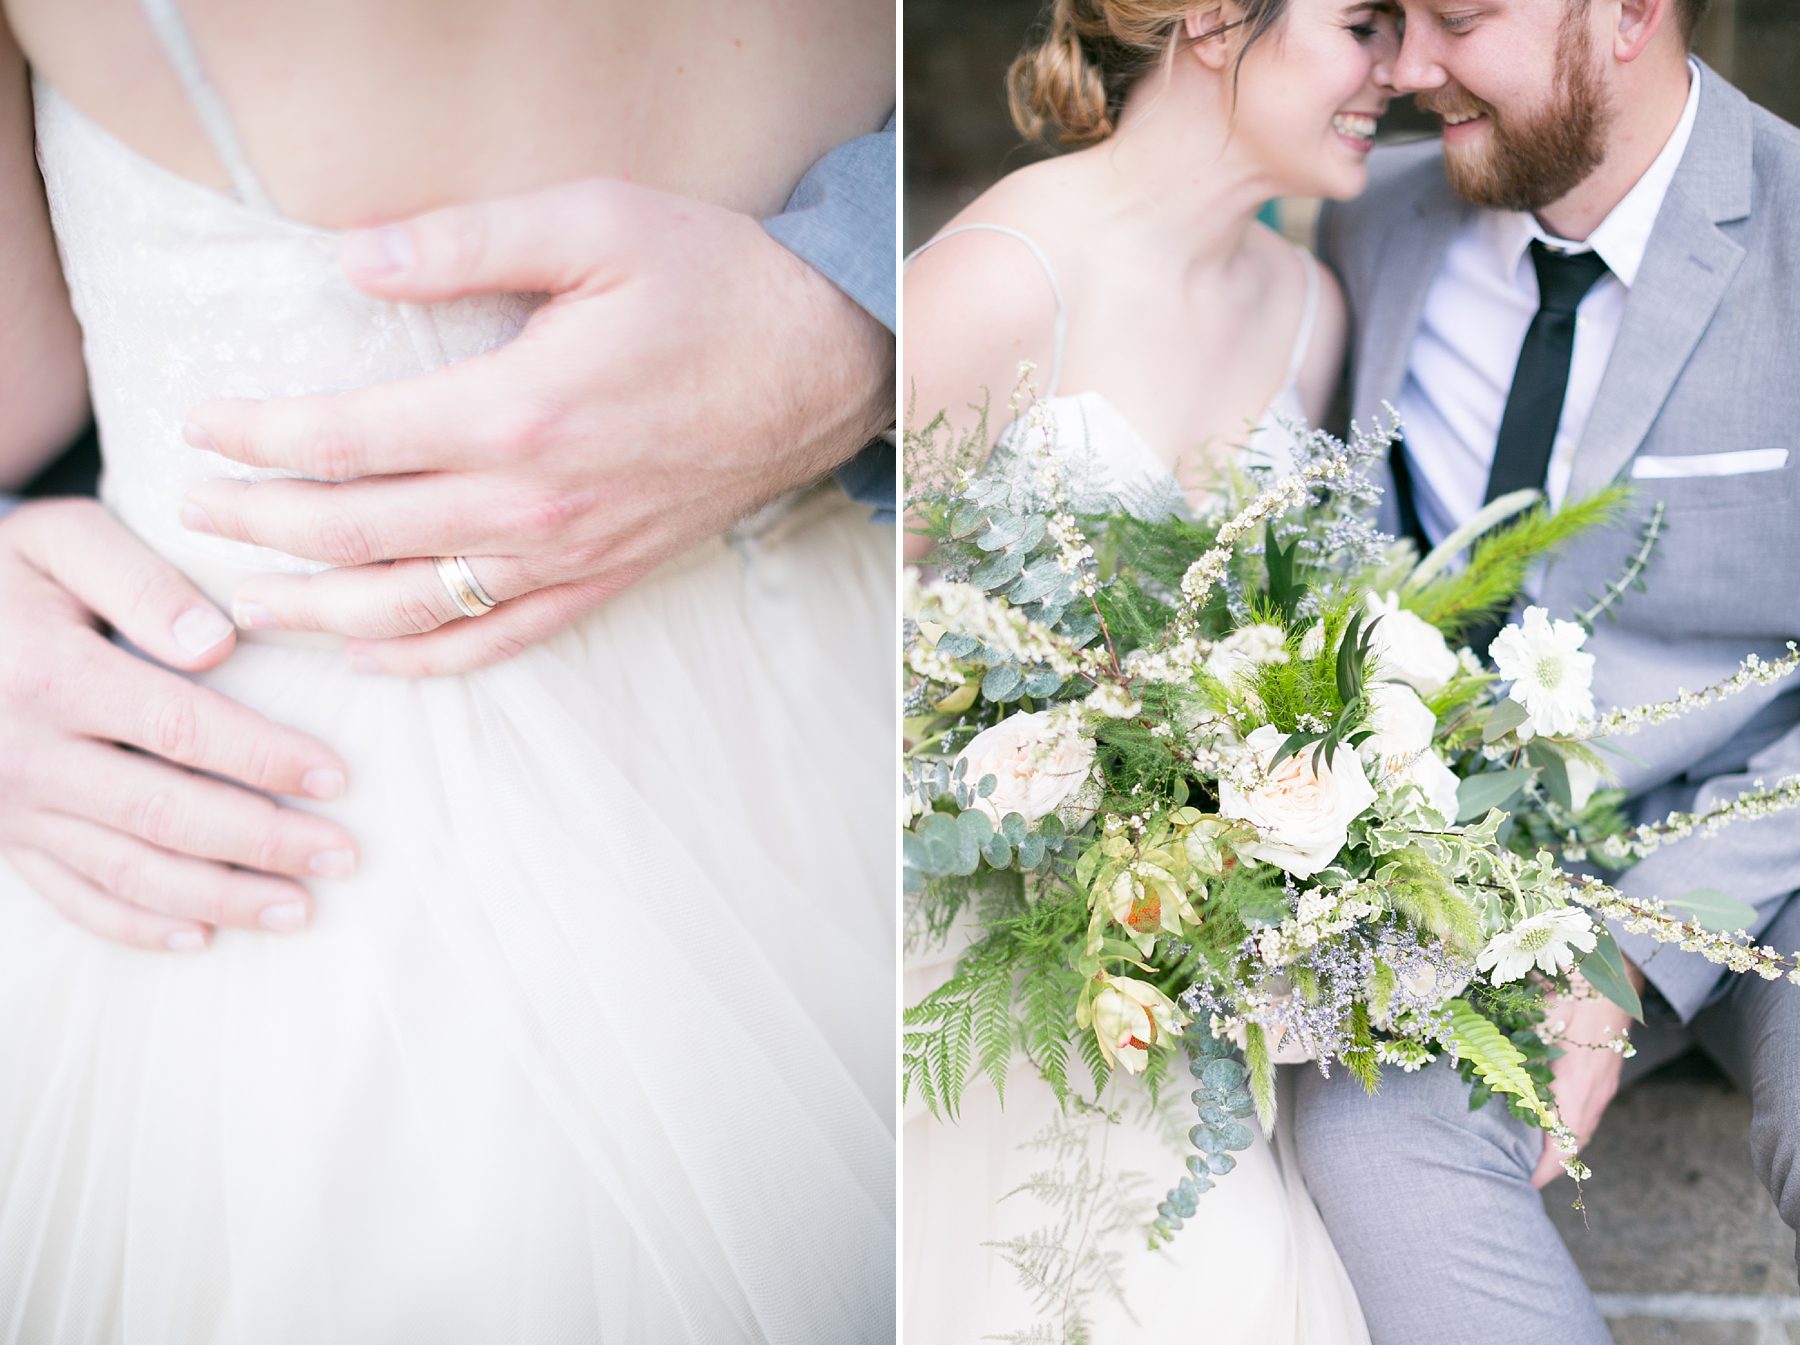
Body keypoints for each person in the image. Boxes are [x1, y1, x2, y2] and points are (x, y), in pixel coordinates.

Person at [0, 1, 894, 1339]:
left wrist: (847, 331)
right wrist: (871, 285)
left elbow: (16, 384)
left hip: (296, 813)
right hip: (845, 704)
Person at [1290, 1, 1800, 1340]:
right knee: (1365, 1134)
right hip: (1461, 881)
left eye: (1457, 17)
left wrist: (1631, 953)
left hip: (1773, 843)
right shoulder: (1371, 226)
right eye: (1395, 18)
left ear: (1632, 11)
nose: (1403, 68)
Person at [902, 1, 1399, 1337]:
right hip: (981, 966)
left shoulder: (1313, 309)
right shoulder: (998, 283)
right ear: (1216, 19)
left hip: (1207, 984)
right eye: (1365, 23)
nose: (1398, 70)